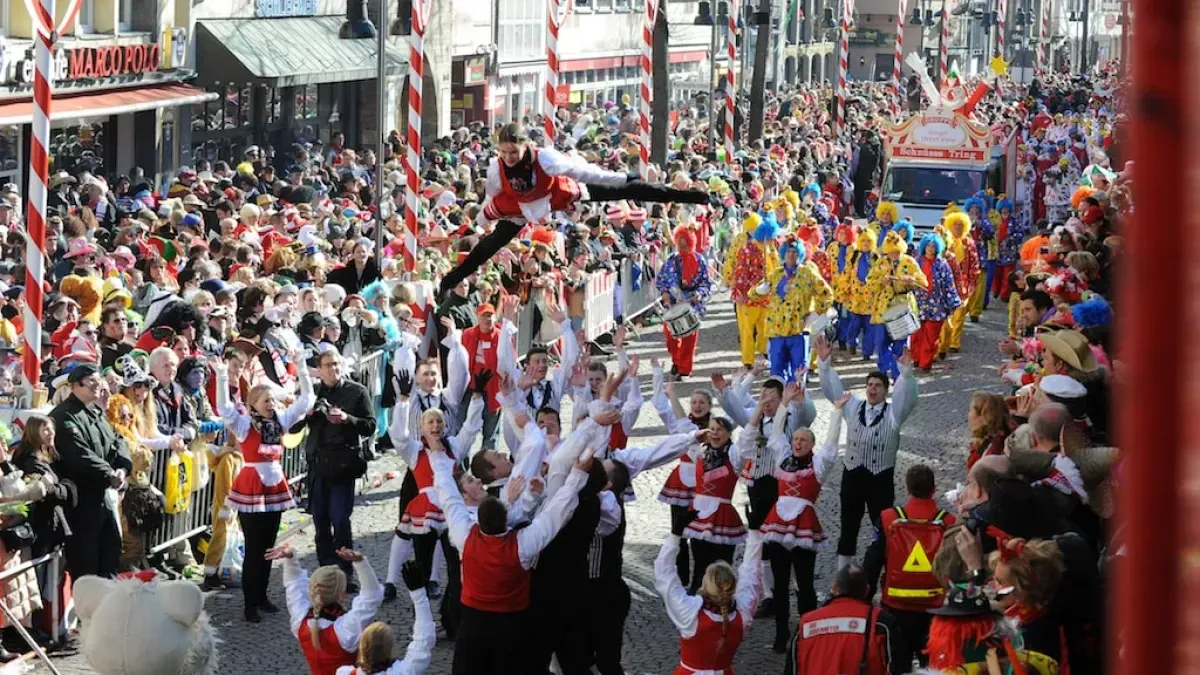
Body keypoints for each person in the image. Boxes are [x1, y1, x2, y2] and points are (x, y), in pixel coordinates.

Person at [436, 122, 710, 297]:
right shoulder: (496, 168)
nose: (508, 157)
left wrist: (622, 178)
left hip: (558, 193)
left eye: (513, 152)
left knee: (630, 190)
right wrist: (485, 219)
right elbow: (492, 199)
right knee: (489, 246)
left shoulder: (546, 158)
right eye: (504, 152)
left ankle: (690, 196)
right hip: (519, 208)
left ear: (525, 146)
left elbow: (587, 172)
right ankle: (449, 282)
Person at [430, 429, 594, 674]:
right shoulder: (522, 545)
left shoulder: (466, 536)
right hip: (512, 628)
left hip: (473, 626)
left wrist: (437, 456)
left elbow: (448, 496)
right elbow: (555, 514)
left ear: (479, 523)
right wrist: (577, 475)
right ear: (507, 519)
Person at [214, 354, 315, 623]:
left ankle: (262, 595)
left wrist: (302, 368)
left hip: (273, 485)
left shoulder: (280, 421)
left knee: (270, 545)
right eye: (266, 401)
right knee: (254, 546)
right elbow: (224, 408)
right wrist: (223, 376)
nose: (272, 404)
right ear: (254, 405)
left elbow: (307, 401)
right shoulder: (245, 425)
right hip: (252, 485)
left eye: (272, 400)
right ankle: (249, 603)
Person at [815, 333, 919, 569]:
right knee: (848, 525)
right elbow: (834, 391)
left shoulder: (894, 414)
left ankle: (880, 572)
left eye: (878, 386)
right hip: (852, 475)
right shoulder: (853, 406)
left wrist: (906, 373)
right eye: (869, 385)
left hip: (880, 477)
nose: (872, 389)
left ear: (885, 390)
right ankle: (843, 574)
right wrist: (824, 363)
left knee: (882, 526)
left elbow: (907, 397)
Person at [759, 386, 847, 651]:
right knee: (780, 582)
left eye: (803, 440)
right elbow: (776, 433)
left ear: (811, 445)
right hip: (777, 525)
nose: (797, 443)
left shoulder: (818, 466)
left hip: (803, 527)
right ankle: (781, 633)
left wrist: (837, 412)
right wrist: (784, 403)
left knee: (805, 584)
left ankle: (808, 629)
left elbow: (832, 445)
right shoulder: (782, 458)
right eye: (796, 439)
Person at [862, 464, 957, 669]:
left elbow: (873, 560)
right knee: (932, 665)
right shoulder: (949, 522)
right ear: (934, 489)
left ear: (907, 489)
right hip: (936, 608)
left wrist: (865, 599)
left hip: (896, 606)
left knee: (897, 663)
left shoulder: (888, 519)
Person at [49, 364, 132, 579]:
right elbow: (79, 454)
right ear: (77, 385)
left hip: (102, 496)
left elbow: (117, 440)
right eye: (92, 382)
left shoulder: (95, 413)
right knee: (87, 561)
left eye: (99, 381)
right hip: (81, 501)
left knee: (110, 552)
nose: (97, 387)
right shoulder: (63, 416)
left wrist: (122, 467)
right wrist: (108, 473)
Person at [306, 350, 376, 584]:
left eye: (337, 364)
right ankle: (326, 571)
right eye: (328, 365)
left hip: (342, 464)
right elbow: (294, 425)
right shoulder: (313, 393)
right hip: (317, 463)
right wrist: (306, 413)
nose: (333, 368)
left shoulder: (357, 391)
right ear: (320, 369)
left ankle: (345, 572)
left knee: (340, 519)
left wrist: (347, 419)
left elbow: (369, 426)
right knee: (320, 520)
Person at [654, 529, 764, 674]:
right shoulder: (742, 614)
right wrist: (755, 533)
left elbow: (665, 574)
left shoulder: (690, 613)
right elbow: (751, 575)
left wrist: (675, 535)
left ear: (706, 585)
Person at [266, 542, 386, 675]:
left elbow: (294, 583)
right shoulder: (345, 629)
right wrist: (360, 562)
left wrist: (290, 559)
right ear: (341, 595)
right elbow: (372, 596)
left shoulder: (300, 621)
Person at [784, 564, 900, 675]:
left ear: (835, 588)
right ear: (866, 590)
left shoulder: (806, 624)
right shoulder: (881, 622)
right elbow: (895, 667)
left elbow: (792, 669)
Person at [755, 239, 834, 384]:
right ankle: (778, 402)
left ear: (801, 254)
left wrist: (815, 314)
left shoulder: (808, 273)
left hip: (798, 330)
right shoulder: (775, 274)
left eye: (795, 252)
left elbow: (827, 294)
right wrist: (759, 290)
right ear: (783, 254)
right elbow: (752, 294)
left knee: (799, 371)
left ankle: (797, 403)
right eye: (788, 252)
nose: (791, 255)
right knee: (776, 371)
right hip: (776, 331)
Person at [657, 225, 712, 379]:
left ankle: (684, 369)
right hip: (672, 306)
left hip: (691, 306)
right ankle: (677, 360)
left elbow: (706, 284)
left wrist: (699, 294)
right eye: (679, 241)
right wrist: (664, 292)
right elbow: (661, 279)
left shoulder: (699, 260)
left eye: (685, 242)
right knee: (670, 338)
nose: (681, 245)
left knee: (689, 340)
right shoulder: (671, 260)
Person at [911, 231, 961, 372]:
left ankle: (925, 363)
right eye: (928, 246)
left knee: (931, 336)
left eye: (933, 246)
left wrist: (953, 302)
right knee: (917, 334)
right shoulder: (916, 262)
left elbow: (949, 283)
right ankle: (916, 358)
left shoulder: (943, 264)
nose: (930, 249)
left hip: (937, 306)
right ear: (923, 247)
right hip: (919, 305)